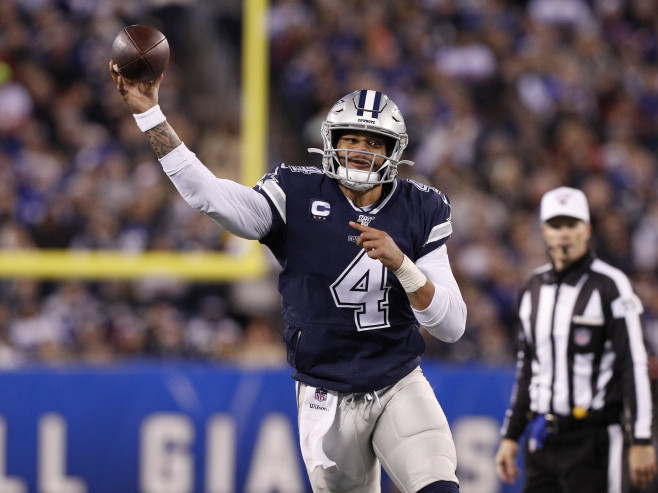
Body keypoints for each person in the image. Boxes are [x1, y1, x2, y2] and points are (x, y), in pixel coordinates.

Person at [109, 62, 467, 493]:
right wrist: (150, 114)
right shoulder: (294, 194)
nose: (358, 150)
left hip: (398, 381)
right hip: (325, 394)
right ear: (330, 142)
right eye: (349, 138)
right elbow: (208, 195)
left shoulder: (420, 207)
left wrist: (403, 266)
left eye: (373, 141)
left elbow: (451, 326)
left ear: (394, 151)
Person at [495, 186, 658, 492]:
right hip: (542, 436)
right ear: (544, 231)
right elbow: (527, 367)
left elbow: (634, 363)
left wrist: (642, 437)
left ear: (588, 230)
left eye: (572, 225)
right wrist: (511, 434)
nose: (564, 234)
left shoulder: (611, 286)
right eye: (557, 226)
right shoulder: (532, 287)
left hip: (593, 438)